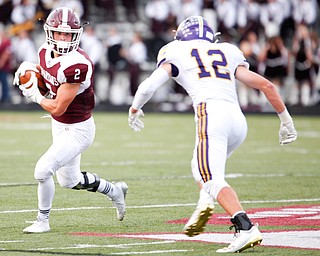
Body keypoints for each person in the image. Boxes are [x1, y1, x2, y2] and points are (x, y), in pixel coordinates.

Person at [127, 16, 297, 253]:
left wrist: (135, 109)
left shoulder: (175, 50)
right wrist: (286, 121)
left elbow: (147, 86)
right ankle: (206, 201)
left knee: (210, 177)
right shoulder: (227, 50)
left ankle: (245, 227)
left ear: (181, 36)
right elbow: (266, 85)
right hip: (237, 120)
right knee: (199, 166)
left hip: (211, 114)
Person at [13, 7, 128, 233]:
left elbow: (57, 106)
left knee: (42, 170)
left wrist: (33, 94)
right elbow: (49, 80)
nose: (63, 38)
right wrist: (31, 71)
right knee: (69, 181)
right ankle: (114, 190)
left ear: (76, 35)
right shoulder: (44, 51)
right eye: (59, 33)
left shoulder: (78, 64)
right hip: (60, 125)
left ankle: (42, 221)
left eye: (68, 34)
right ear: (50, 33)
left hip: (78, 129)